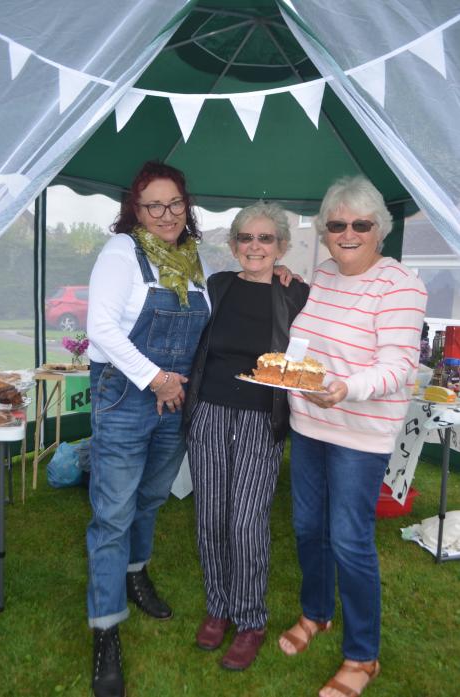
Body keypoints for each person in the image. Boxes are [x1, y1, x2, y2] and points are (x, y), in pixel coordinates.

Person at [278, 176, 427, 697]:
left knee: (349, 539)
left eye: (359, 224)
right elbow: (305, 338)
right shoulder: (322, 274)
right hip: (310, 423)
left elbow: (398, 365)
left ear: (378, 230)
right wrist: (287, 372)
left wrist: (347, 388)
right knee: (305, 527)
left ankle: (363, 657)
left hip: (359, 432)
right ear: (324, 231)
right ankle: (316, 613)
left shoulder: (401, 284)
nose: (346, 233)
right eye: (335, 224)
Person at [86, 161, 211, 697]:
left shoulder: (192, 260)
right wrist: (156, 378)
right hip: (127, 396)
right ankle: (105, 629)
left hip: (172, 398)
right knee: (112, 512)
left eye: (175, 203)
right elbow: (101, 328)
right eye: (154, 205)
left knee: (151, 498)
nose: (166, 215)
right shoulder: (121, 253)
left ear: (187, 205)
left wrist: (277, 275)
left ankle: (135, 573)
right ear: (135, 210)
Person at [184, 202, 309, 671]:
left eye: (265, 239)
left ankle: (251, 618)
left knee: (246, 520)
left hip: (261, 417)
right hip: (209, 412)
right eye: (246, 238)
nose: (254, 246)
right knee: (211, 515)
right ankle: (219, 607)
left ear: (281, 246)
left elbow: (308, 351)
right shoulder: (218, 286)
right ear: (233, 244)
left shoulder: (295, 294)